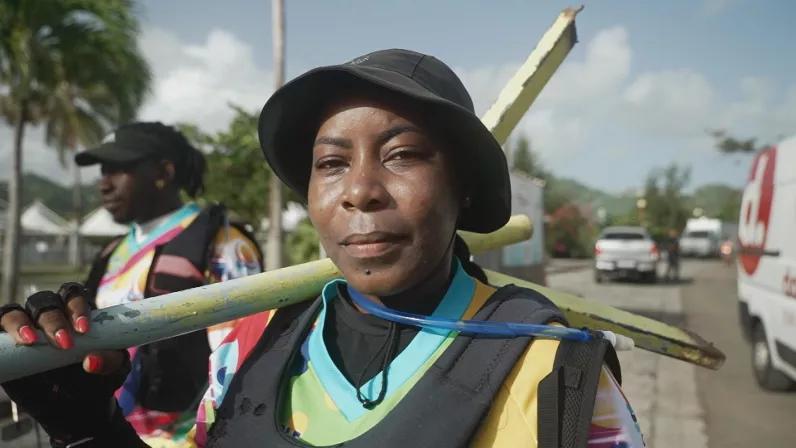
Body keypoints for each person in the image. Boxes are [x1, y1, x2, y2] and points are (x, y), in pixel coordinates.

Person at [0, 50, 645, 447]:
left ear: (465, 189)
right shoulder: (245, 348)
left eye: (402, 156)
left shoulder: (553, 370)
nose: (359, 191)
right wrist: (90, 428)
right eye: (331, 163)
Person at [1, 122, 264, 447]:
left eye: (117, 170)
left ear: (163, 172)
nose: (104, 184)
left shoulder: (223, 244)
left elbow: (242, 363)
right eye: (101, 172)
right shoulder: (111, 252)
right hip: (110, 433)